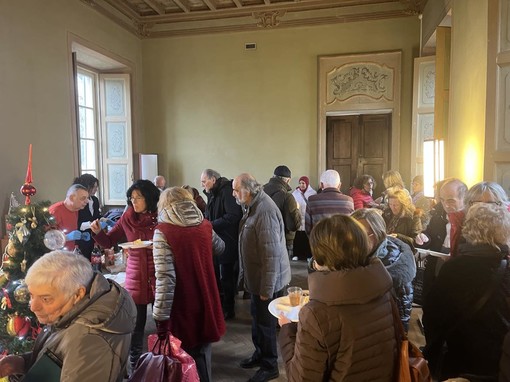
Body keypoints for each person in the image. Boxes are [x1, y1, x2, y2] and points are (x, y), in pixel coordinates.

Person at [277, 214, 396, 380]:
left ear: (321, 257)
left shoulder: (316, 313)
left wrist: (287, 331)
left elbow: (301, 378)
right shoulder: (383, 288)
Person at [0, 250, 136, 381]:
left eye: (46, 299)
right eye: (31, 295)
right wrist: (20, 363)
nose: (33, 307)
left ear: (78, 294)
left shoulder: (90, 340)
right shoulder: (73, 313)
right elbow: (60, 360)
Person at [422, 203, 510, 380]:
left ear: (469, 229)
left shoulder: (453, 268)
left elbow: (432, 315)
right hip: (498, 360)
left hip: (458, 356)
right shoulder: (507, 269)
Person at [152, 187, 226, 382]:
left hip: (182, 303)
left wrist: (160, 317)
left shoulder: (164, 231)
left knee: (185, 360)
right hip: (206, 296)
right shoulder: (205, 225)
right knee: (203, 353)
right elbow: (220, 247)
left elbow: (165, 278)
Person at [90, 179, 160, 370]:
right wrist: (98, 233)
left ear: (150, 198)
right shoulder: (128, 217)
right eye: (132, 198)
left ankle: (163, 361)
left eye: (138, 198)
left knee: (163, 322)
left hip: (159, 273)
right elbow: (108, 241)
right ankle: (135, 364)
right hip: (136, 273)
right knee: (137, 324)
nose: (134, 202)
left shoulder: (162, 217)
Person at [233, 173, 291, 382]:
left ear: (248, 190)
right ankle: (260, 354)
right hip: (258, 279)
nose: (234, 194)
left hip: (269, 280)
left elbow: (271, 254)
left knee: (266, 325)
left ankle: (270, 365)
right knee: (257, 320)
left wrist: (267, 289)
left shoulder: (264, 211)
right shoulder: (252, 205)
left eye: (236, 189)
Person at [352, 208, 416, 331]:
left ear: (378, 234)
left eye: (360, 235)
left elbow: (401, 319)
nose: (352, 240)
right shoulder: (358, 255)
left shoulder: (394, 267)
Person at [200, 168, 242, 320]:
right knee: (218, 276)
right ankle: (220, 306)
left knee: (227, 277)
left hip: (227, 240)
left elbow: (233, 215)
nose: (202, 184)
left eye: (204, 181)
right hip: (216, 240)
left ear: (213, 180)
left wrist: (210, 225)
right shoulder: (213, 193)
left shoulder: (226, 191)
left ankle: (228, 309)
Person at [263, 165, 301, 260]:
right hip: (282, 240)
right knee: (282, 272)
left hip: (262, 238)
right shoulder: (287, 197)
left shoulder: (260, 191)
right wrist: (296, 209)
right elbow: (292, 225)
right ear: (288, 180)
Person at [305, 169, 354, 235]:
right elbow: (351, 227)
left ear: (321, 185)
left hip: (319, 242)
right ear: (339, 185)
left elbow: (308, 228)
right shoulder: (349, 201)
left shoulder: (312, 200)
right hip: (342, 243)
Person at [72, 174, 107, 260]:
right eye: (94, 186)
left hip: (93, 238)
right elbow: (76, 223)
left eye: (96, 186)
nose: (96, 189)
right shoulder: (77, 202)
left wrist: (102, 219)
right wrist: (90, 224)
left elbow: (96, 216)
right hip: (81, 239)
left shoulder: (94, 200)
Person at [49, 184, 90, 251]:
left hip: (69, 253)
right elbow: (47, 239)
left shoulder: (75, 210)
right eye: (83, 198)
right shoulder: (55, 211)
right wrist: (66, 237)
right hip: (56, 256)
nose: (87, 201)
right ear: (71, 198)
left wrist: (81, 236)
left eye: (87, 198)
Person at [291, 176, 316, 261]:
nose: (301, 185)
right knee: (298, 237)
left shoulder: (312, 193)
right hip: (298, 218)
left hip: (307, 218)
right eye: (300, 183)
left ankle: (308, 255)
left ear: (307, 183)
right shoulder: (295, 193)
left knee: (307, 237)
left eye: (303, 183)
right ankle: (296, 254)